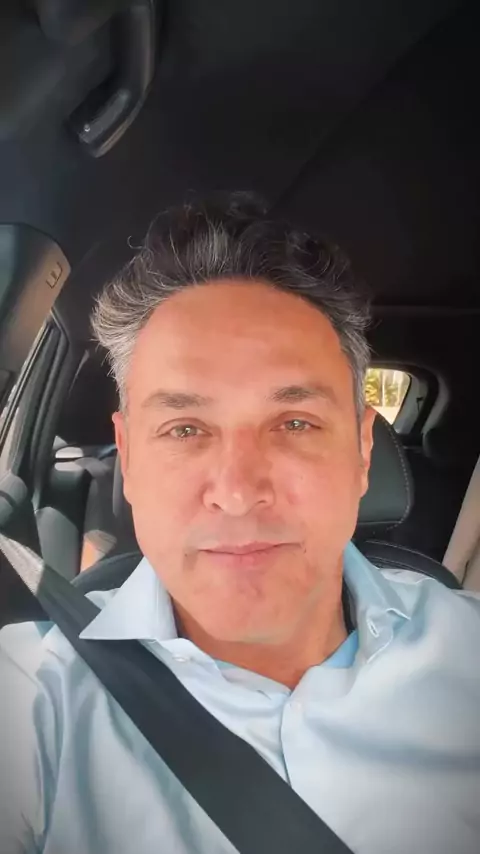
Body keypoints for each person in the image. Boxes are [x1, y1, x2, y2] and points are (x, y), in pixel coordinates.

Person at [1, 194, 479, 854]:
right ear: (129, 459)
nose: (236, 492)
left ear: (363, 451)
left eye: (295, 423)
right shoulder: (30, 699)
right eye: (185, 429)